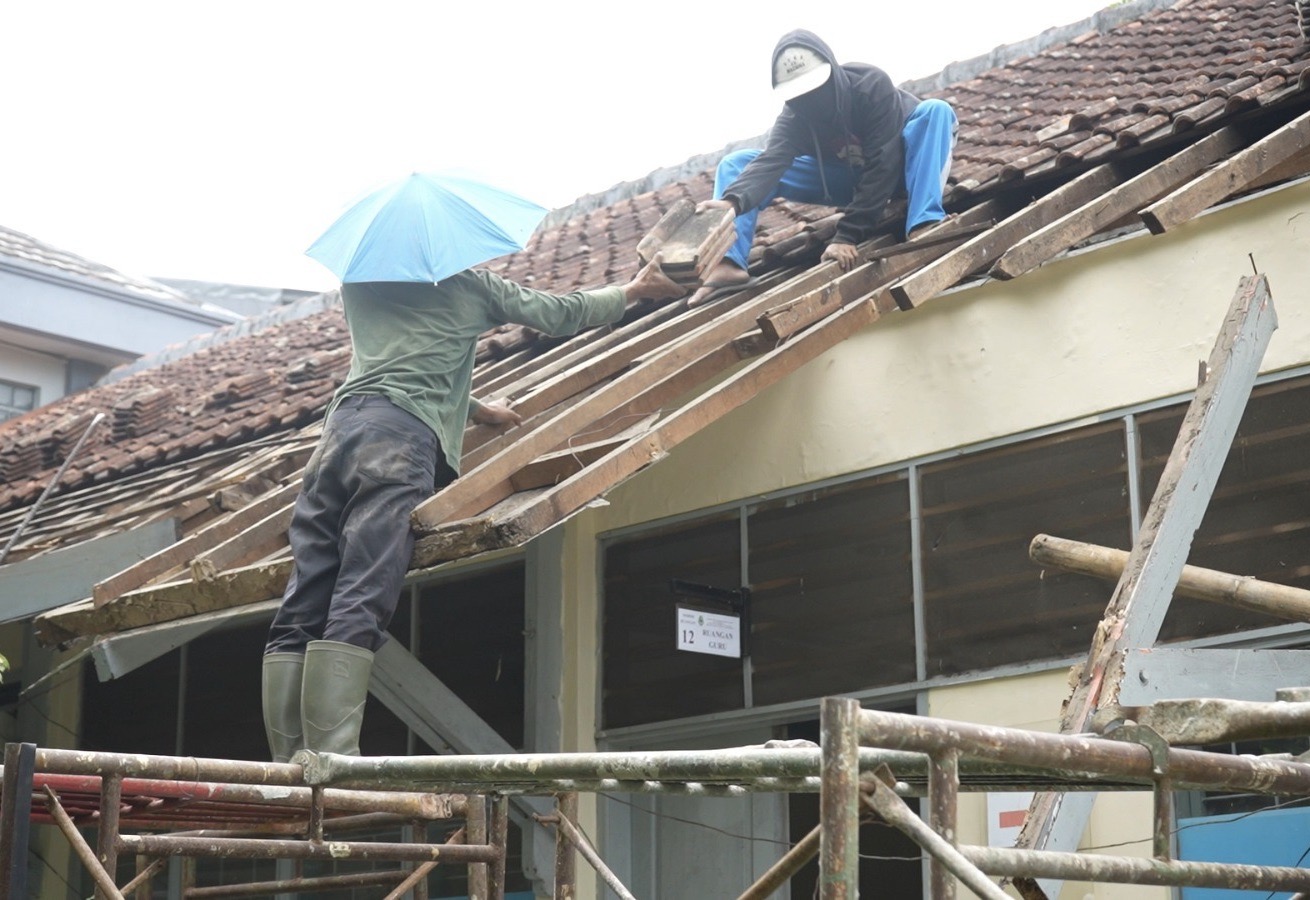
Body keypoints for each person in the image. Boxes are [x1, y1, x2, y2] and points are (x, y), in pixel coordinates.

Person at [260, 260, 685, 761]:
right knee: (364, 586)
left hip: (337, 437)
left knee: (308, 590)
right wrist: (632, 291)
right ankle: (331, 757)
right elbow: (559, 312)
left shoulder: (360, 280)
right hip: (397, 441)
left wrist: (480, 411)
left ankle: (288, 762)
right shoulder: (468, 285)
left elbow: (405, 357)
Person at [689, 29, 959, 307]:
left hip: (904, 168)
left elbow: (884, 162)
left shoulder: (870, 84)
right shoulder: (794, 119)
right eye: (801, 94)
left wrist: (847, 236)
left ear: (832, 72)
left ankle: (925, 220)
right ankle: (730, 263)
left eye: (817, 88)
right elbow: (771, 163)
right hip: (849, 179)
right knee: (736, 164)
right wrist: (731, 203)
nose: (812, 100)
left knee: (936, 111)